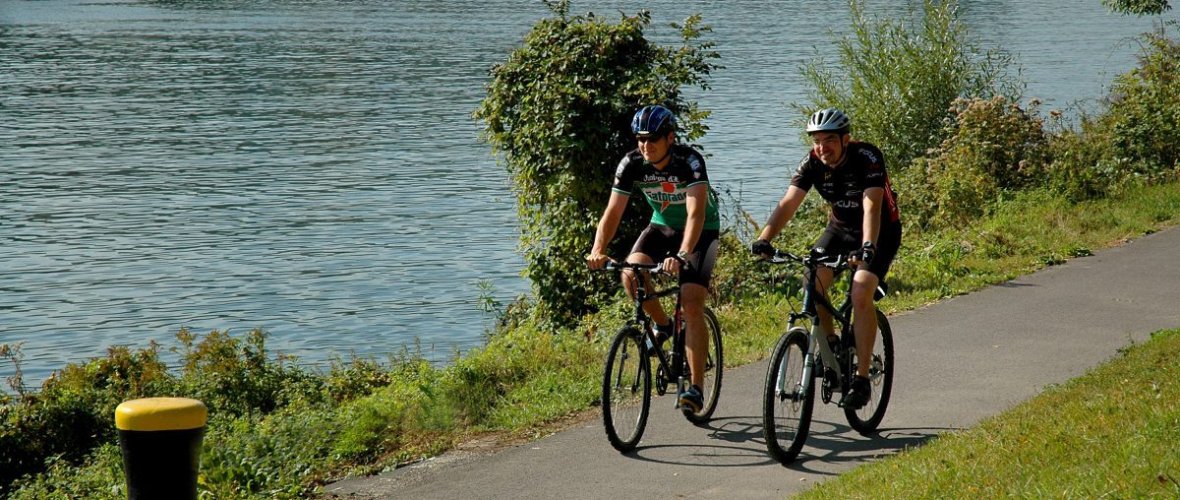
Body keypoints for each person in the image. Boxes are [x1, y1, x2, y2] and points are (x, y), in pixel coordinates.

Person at [751, 108, 901, 409]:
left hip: (880, 232)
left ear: (846, 139)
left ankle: (860, 380)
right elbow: (788, 203)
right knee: (812, 281)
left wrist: (868, 246)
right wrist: (764, 238)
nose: (822, 148)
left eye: (829, 140)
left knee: (860, 291)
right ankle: (831, 346)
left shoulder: (867, 157)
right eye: (817, 141)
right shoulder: (812, 163)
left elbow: (871, 205)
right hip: (841, 229)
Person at [587, 104, 721, 414]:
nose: (645, 146)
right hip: (661, 225)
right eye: (640, 140)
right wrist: (598, 249)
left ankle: (697, 388)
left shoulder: (689, 161)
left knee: (691, 302)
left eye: (653, 140)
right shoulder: (632, 163)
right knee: (630, 274)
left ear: (670, 138)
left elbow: (696, 213)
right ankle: (663, 326)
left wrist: (683, 254)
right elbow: (613, 212)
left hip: (701, 231)